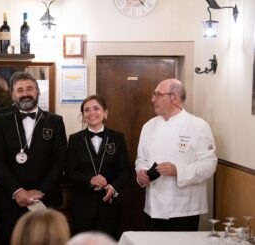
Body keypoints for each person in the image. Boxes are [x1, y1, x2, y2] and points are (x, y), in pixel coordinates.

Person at [0, 71, 67, 245]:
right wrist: (17, 191)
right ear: (13, 94)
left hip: (45, 199)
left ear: (38, 91)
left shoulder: (55, 121)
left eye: (29, 89)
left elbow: (59, 160)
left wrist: (41, 190)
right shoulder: (1, 121)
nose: (25, 93)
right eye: (20, 90)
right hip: (10, 200)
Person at [135, 78, 217, 231]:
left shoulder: (198, 125)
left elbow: (209, 165)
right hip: (154, 206)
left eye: (158, 95)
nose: (153, 99)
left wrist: (178, 171)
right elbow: (141, 159)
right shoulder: (148, 126)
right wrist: (140, 173)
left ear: (174, 97)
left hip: (185, 207)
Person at [66, 95, 132, 239]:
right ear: (83, 116)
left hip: (109, 207)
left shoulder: (117, 138)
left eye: (96, 108)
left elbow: (125, 171)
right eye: (86, 110)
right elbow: (70, 172)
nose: (91, 113)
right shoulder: (74, 139)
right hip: (82, 208)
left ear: (105, 113)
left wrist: (113, 187)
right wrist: (90, 180)